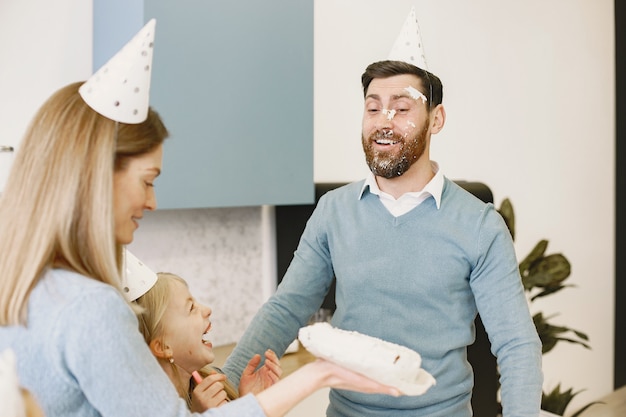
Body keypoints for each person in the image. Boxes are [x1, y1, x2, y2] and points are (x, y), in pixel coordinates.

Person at [0, 19, 401, 417]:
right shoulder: (91, 310)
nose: (152, 201)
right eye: (147, 180)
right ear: (95, 178)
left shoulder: (26, 288)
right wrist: (318, 375)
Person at [223, 8, 543, 417]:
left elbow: (517, 345)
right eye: (373, 108)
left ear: (436, 119)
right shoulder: (333, 212)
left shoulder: (480, 227)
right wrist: (226, 387)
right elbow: (286, 310)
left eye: (402, 108)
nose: (384, 122)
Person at [135, 272, 282, 411]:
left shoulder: (214, 384)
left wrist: (248, 404)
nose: (207, 310)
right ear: (163, 346)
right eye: (191, 308)